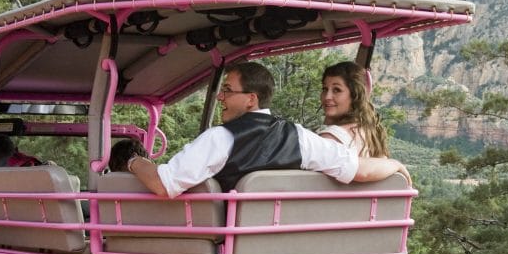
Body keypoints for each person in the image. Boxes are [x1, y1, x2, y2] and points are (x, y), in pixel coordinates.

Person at [125, 61, 410, 198]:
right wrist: (394, 164)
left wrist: (133, 161)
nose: (220, 98)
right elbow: (358, 170)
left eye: (227, 91)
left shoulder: (219, 138)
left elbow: (163, 184)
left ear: (251, 99)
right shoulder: (300, 137)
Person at [319, 61, 389, 158]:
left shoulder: (331, 138)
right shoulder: (369, 134)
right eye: (325, 89)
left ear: (355, 95)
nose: (327, 97)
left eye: (337, 90)